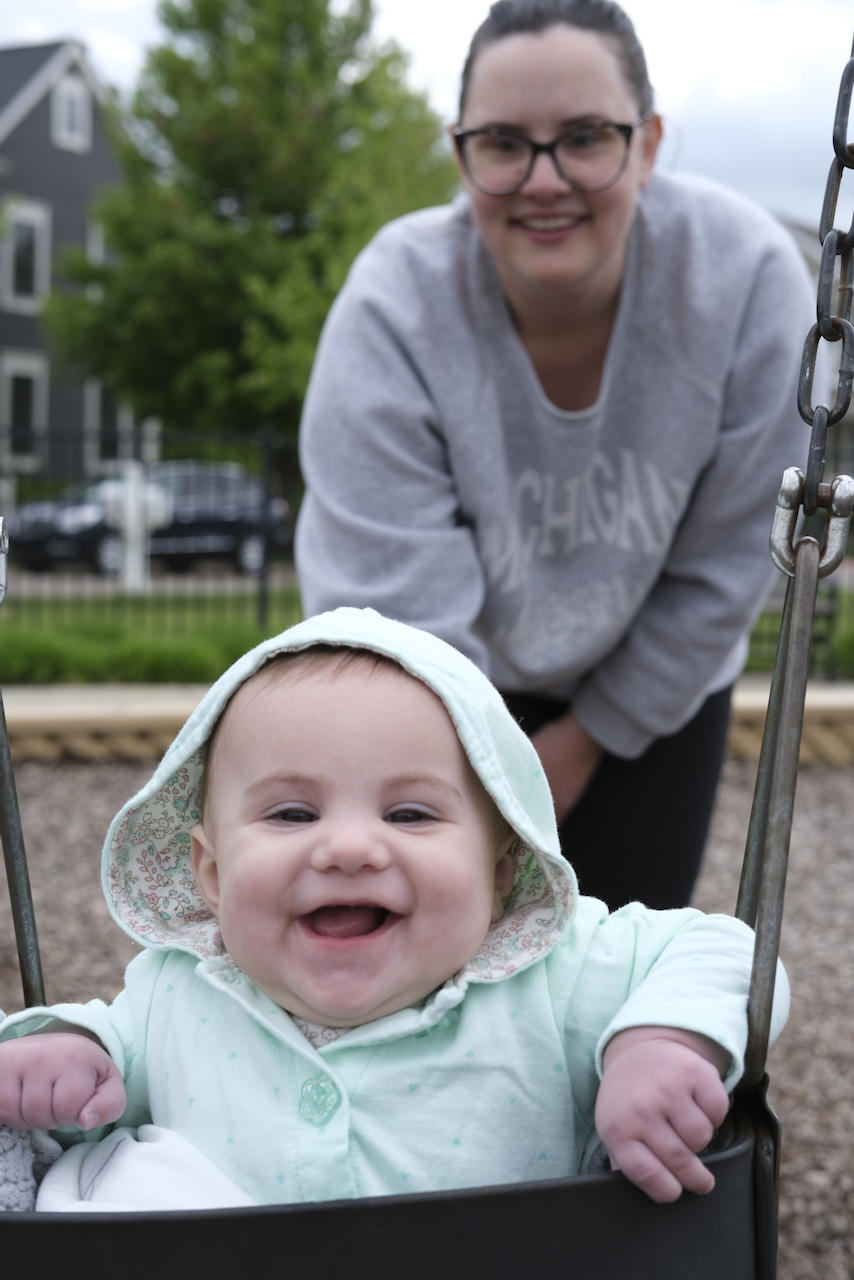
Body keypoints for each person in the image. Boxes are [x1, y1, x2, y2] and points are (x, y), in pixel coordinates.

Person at [0, 608, 787, 1212]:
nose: (348, 849)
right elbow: (85, 1100)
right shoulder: (179, 990)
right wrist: (61, 1057)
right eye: (292, 815)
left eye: (409, 815)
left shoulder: (555, 974)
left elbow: (735, 953)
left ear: (500, 866)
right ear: (210, 871)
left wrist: (658, 1043)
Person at [294, 0, 814, 911]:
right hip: (432, 687)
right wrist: (485, 771)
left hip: (655, 692)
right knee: (424, 957)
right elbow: (390, 591)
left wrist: (582, 743)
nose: (544, 180)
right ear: (461, 153)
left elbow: (727, 564)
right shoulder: (395, 304)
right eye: (503, 143)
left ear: (648, 144)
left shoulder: (743, 282)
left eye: (585, 138)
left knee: (612, 962)